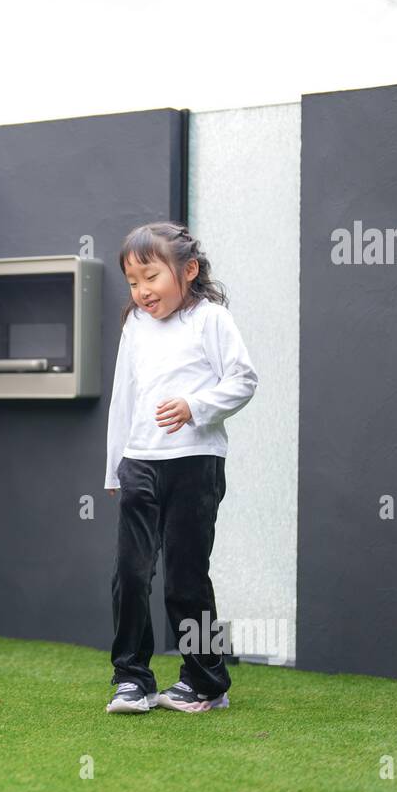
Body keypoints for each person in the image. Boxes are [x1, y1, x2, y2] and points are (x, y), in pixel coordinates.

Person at [102, 222, 258, 715]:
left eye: (151, 277)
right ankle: (132, 678)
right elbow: (123, 399)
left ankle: (206, 681)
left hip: (195, 466)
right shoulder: (136, 325)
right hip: (140, 464)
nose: (142, 291)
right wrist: (114, 470)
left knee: (186, 579)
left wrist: (195, 405)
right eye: (132, 281)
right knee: (130, 573)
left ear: (188, 270)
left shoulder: (210, 319)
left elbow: (243, 380)